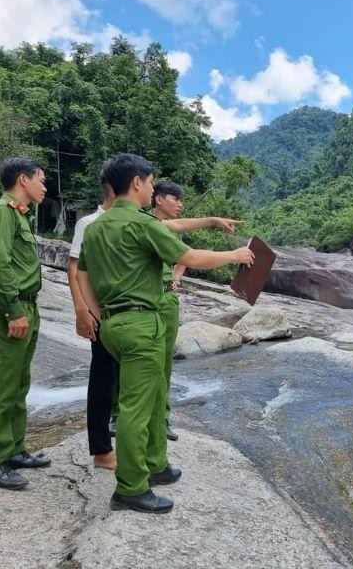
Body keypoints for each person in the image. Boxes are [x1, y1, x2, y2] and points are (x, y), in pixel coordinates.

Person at [76, 153, 253, 513]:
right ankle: (129, 487)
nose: (154, 188)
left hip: (114, 323)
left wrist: (99, 315)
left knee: (155, 395)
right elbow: (191, 257)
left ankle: (155, 464)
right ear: (137, 183)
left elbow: (85, 275)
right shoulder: (142, 224)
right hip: (141, 323)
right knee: (136, 408)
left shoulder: (96, 227)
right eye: (152, 182)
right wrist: (235, 255)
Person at [0, 157, 49, 490]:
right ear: (23, 179)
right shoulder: (1, 212)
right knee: (1, 388)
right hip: (10, 310)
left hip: (26, 308)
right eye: (41, 180)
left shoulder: (19, 214)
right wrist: (12, 310)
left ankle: (14, 449)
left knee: (19, 385)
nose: (44, 186)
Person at [150, 180, 243, 441]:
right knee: (148, 364)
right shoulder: (145, 222)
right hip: (149, 300)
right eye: (175, 198)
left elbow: (180, 255)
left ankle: (160, 417)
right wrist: (234, 255)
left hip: (166, 295)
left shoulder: (162, 226)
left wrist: (176, 278)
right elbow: (188, 252)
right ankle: (132, 418)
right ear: (157, 198)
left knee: (164, 362)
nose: (180, 204)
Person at [68, 173, 118, 470]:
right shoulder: (88, 224)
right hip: (100, 314)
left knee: (121, 381)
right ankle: (101, 450)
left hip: (124, 315)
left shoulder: (133, 222)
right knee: (102, 380)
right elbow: (74, 269)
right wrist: (81, 310)